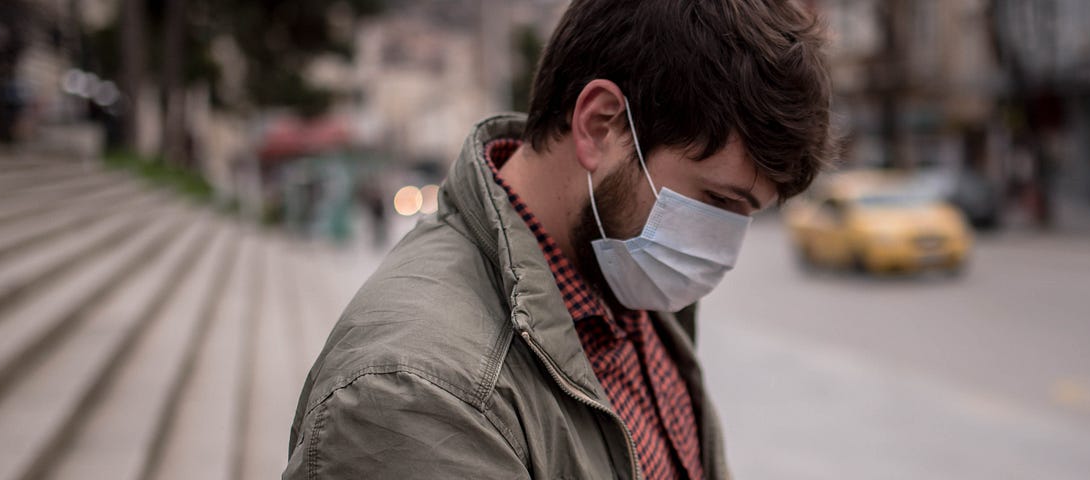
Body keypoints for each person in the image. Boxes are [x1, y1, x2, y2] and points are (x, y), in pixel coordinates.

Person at [283, 0, 834, 478]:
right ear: (601, 126)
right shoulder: (416, 393)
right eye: (716, 201)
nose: (726, 250)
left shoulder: (621, 272)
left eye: (749, 216)